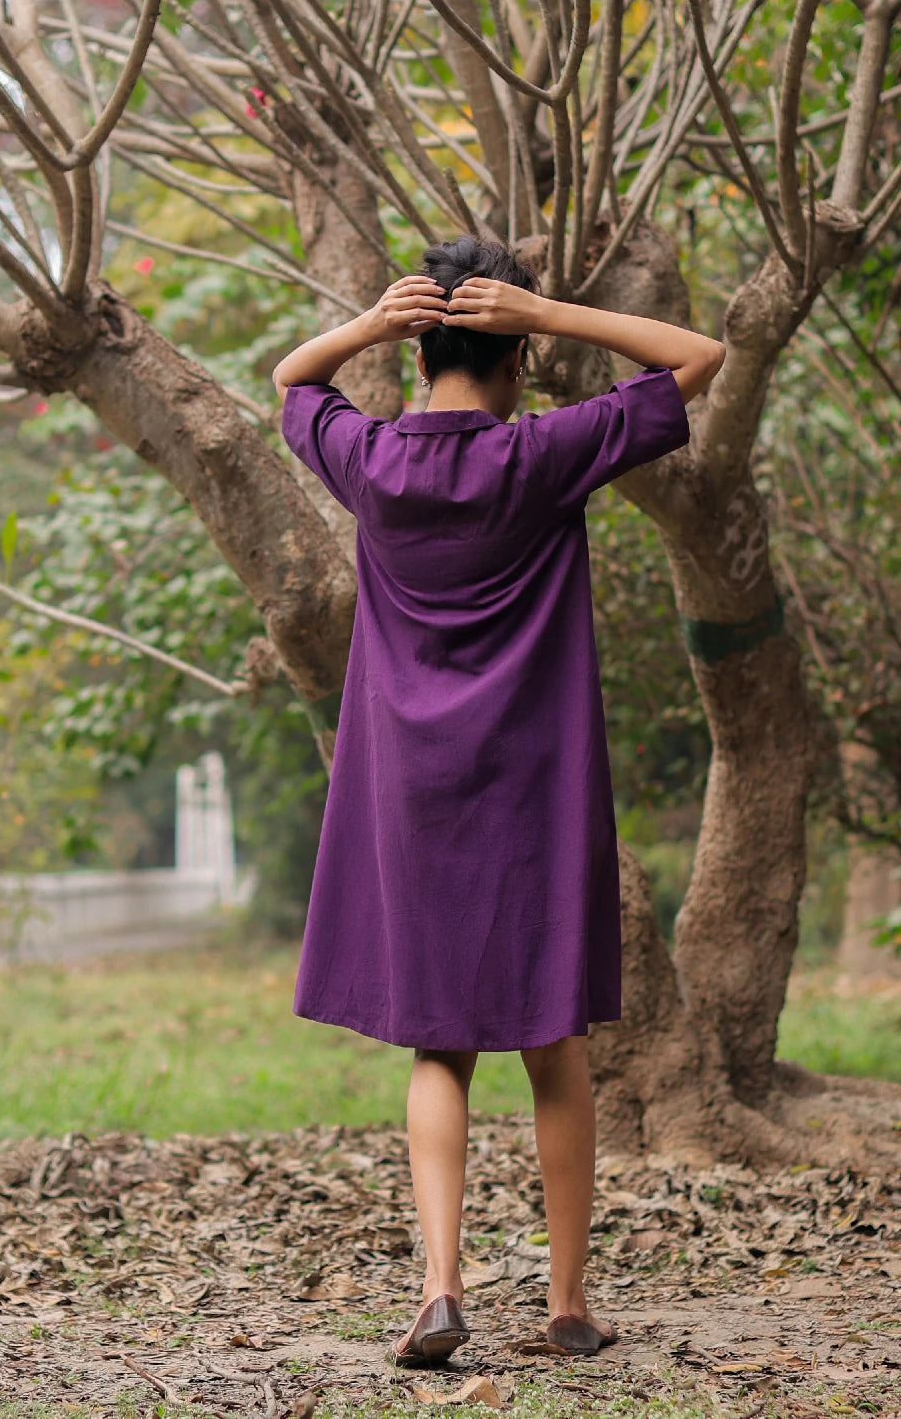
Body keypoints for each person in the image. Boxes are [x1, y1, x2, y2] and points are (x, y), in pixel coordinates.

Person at [272, 236, 725, 1367]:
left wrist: (374, 326)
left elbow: (292, 381)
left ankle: (438, 1289)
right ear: (515, 349)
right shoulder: (547, 453)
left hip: (412, 798)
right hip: (536, 786)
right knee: (552, 1041)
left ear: (420, 346)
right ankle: (568, 1307)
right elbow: (696, 357)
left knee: (439, 1049)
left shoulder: (370, 460)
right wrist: (555, 312)